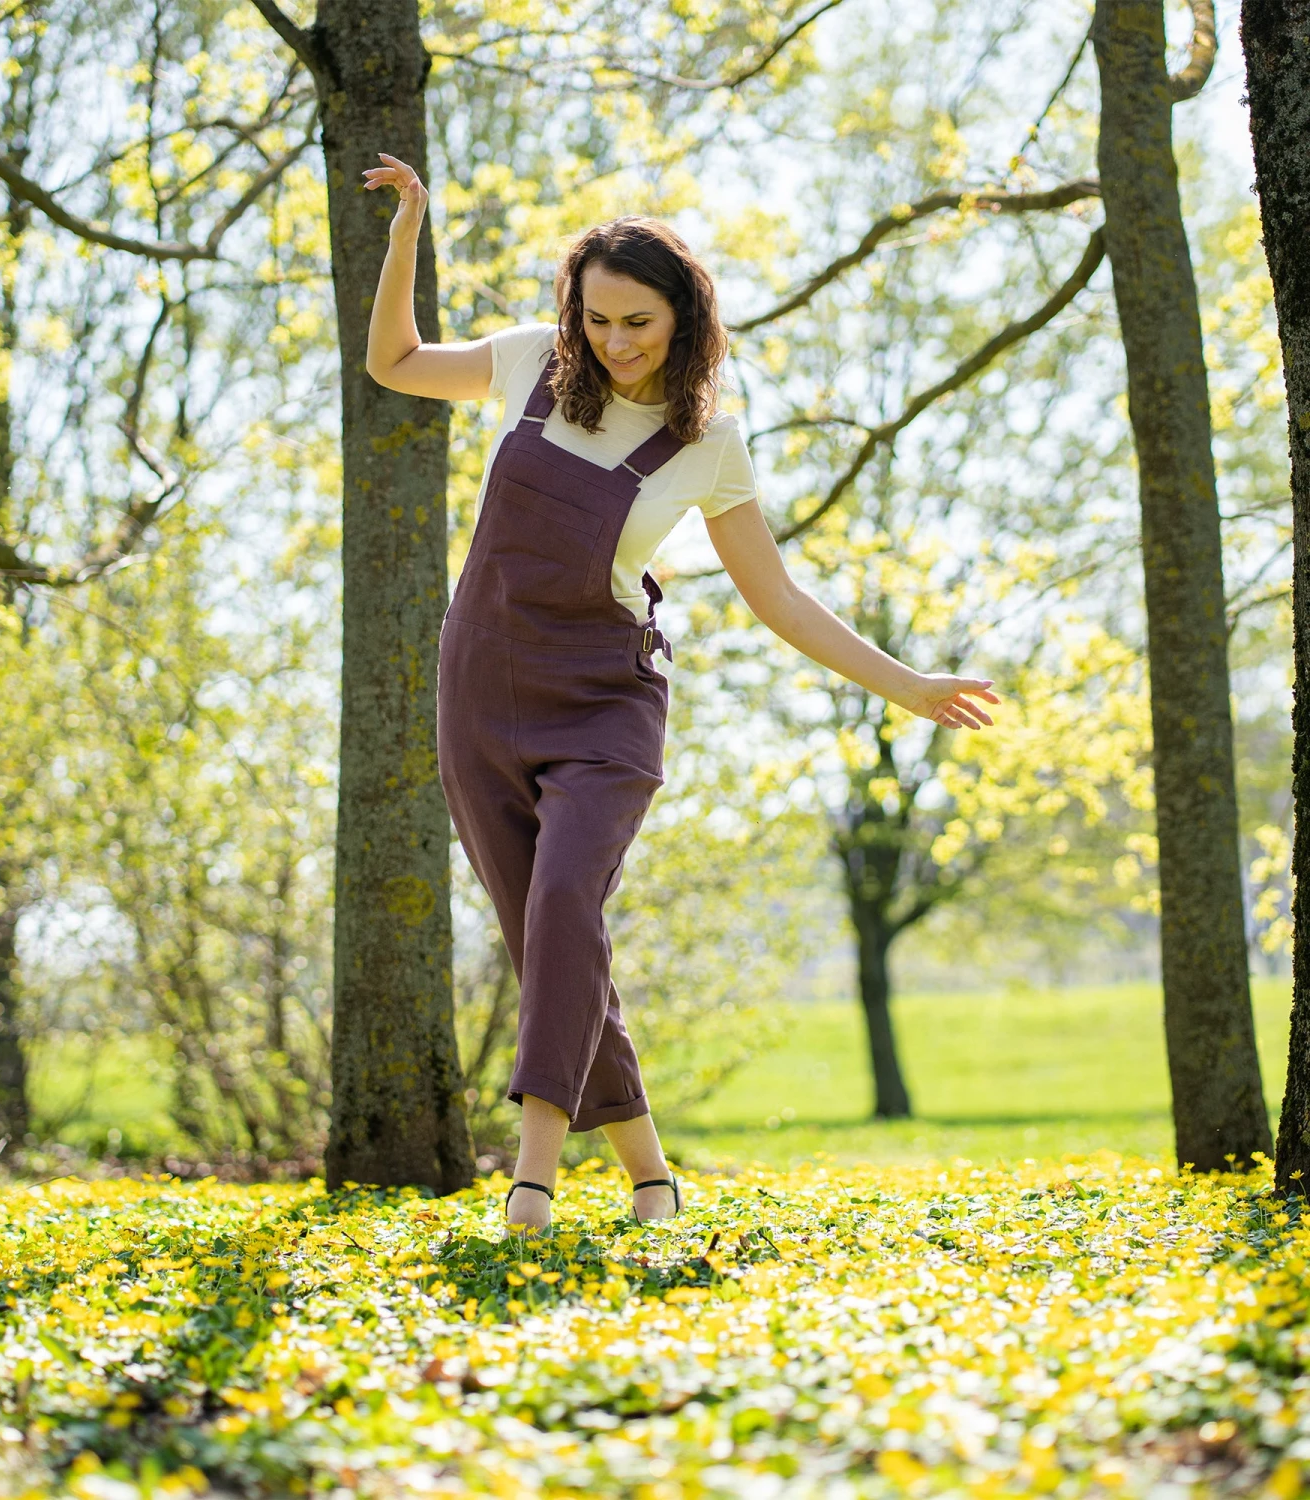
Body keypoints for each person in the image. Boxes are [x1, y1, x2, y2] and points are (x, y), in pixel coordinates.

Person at [362, 152, 1000, 1233]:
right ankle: (652, 1175)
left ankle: (532, 1181)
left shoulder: (709, 445)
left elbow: (781, 602)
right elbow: (396, 361)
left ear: (685, 322)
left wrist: (908, 685)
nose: (614, 342)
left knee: (565, 903)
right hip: (478, 685)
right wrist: (406, 234)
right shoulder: (525, 365)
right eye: (599, 318)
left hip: (605, 703)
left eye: (639, 324)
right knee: (547, 940)